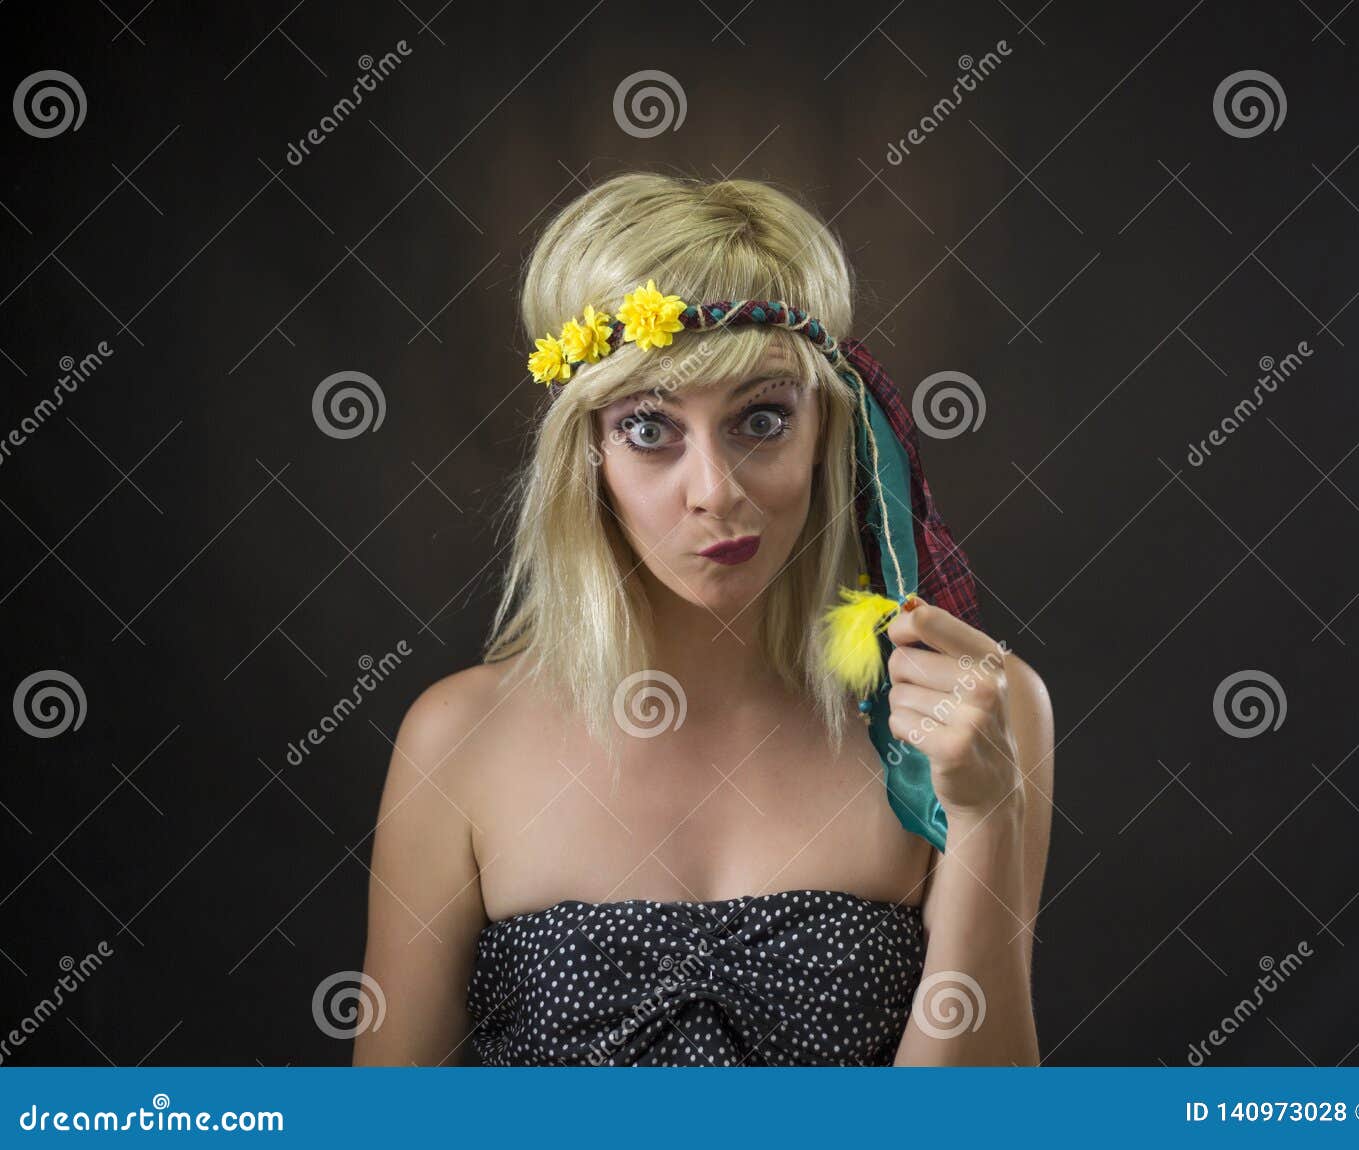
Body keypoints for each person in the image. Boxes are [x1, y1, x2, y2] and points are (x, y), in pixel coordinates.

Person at [353, 170, 1055, 1066]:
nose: (715, 492)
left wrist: (985, 819)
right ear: (589, 453)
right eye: (650, 429)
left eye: (761, 418)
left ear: (828, 433)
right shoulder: (458, 741)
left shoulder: (976, 714)